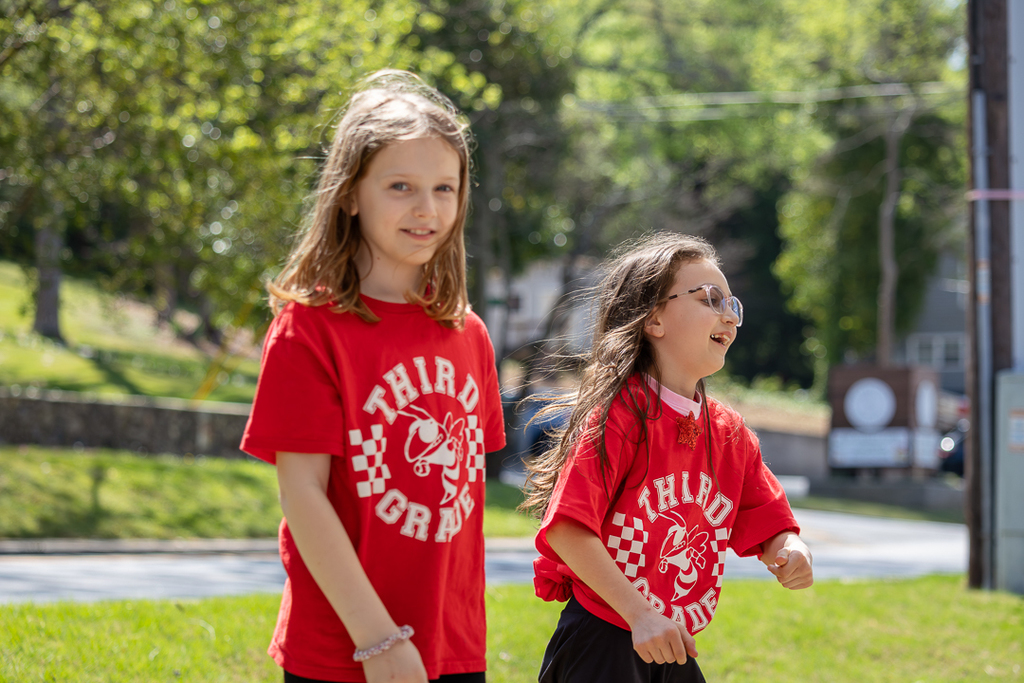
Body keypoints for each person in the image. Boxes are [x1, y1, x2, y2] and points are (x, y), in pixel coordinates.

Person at [240, 70, 506, 683]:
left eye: (445, 187)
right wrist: (379, 641)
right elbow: (302, 496)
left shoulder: (469, 335)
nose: (427, 208)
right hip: (347, 649)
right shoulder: (309, 331)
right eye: (400, 186)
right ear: (350, 194)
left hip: (453, 647)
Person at [521, 232, 813, 683]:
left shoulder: (730, 435)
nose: (727, 316)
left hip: (670, 642)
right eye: (710, 299)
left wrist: (789, 549)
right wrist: (640, 615)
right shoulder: (619, 418)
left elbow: (769, 520)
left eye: (732, 304)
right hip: (602, 638)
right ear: (654, 319)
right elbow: (565, 528)